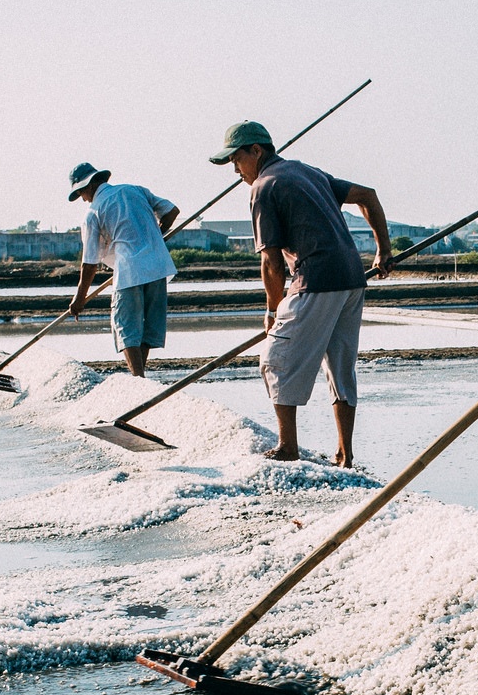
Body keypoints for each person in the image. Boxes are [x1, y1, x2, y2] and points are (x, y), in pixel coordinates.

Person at [210, 120, 393, 467]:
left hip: (315, 279)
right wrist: (383, 250)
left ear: (256, 151)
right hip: (352, 278)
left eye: (237, 159)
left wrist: (271, 310)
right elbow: (367, 196)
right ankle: (345, 454)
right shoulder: (307, 172)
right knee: (341, 368)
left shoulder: (264, 186)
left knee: (275, 359)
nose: (235, 169)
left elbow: (271, 263)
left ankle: (287, 448)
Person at [65, 162, 179, 377]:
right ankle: (141, 377)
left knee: (126, 329)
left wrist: (80, 299)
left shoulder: (93, 212)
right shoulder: (135, 190)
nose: (83, 198)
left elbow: (89, 263)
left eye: (81, 192)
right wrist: (157, 235)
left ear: (88, 186)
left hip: (130, 271)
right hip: (158, 266)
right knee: (146, 329)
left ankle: (138, 379)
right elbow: (171, 212)